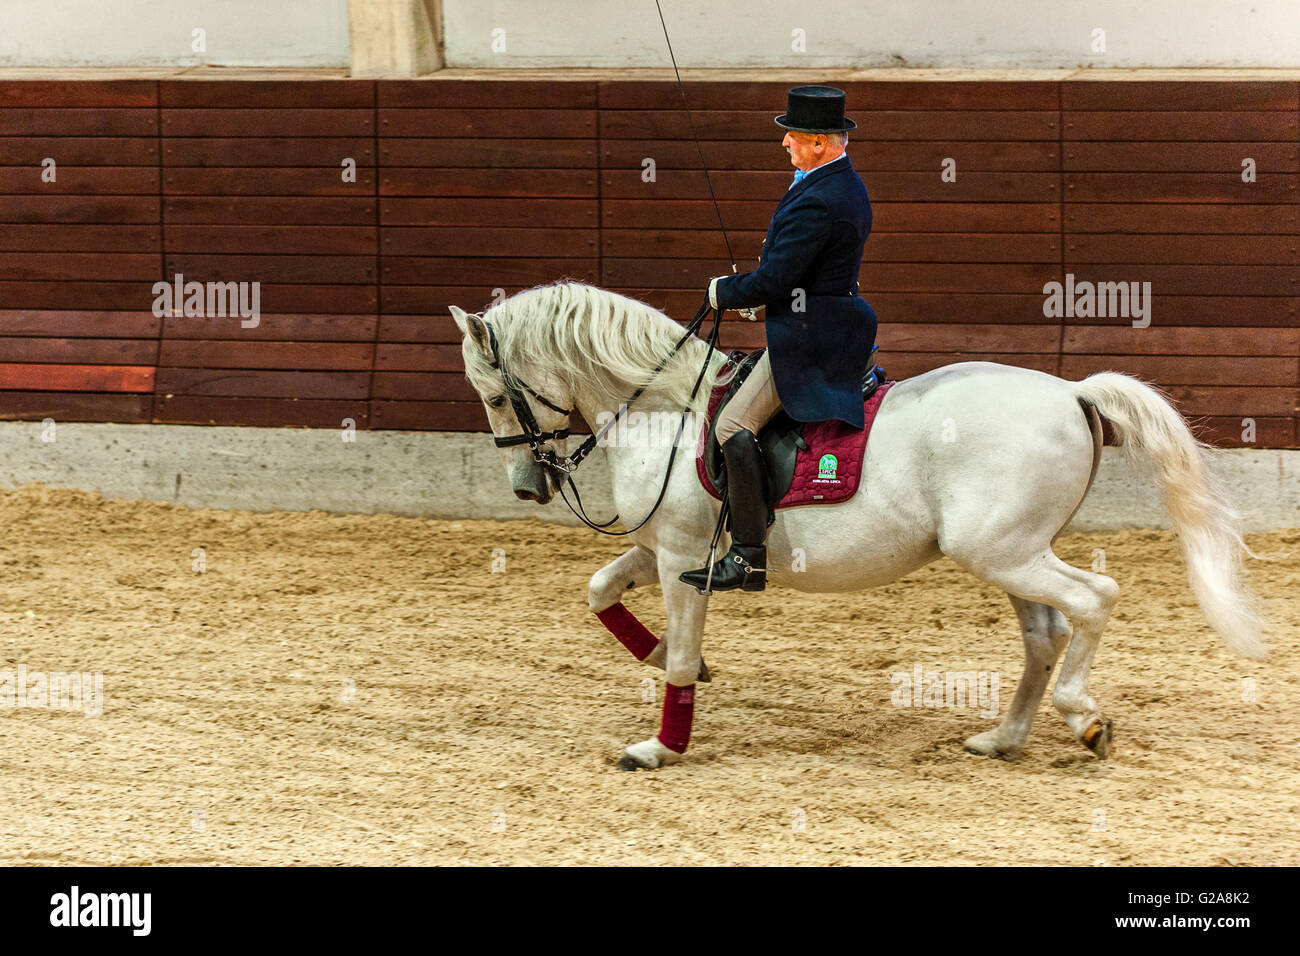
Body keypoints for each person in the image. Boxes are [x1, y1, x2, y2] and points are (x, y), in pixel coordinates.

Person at [679, 85, 878, 593]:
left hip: (814, 335)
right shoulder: (838, 184)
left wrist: (725, 291)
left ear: (818, 143)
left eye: (792, 134)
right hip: (826, 317)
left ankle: (746, 556)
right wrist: (761, 296)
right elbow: (800, 276)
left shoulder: (821, 196)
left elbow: (777, 280)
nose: (784, 142)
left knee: (732, 425)